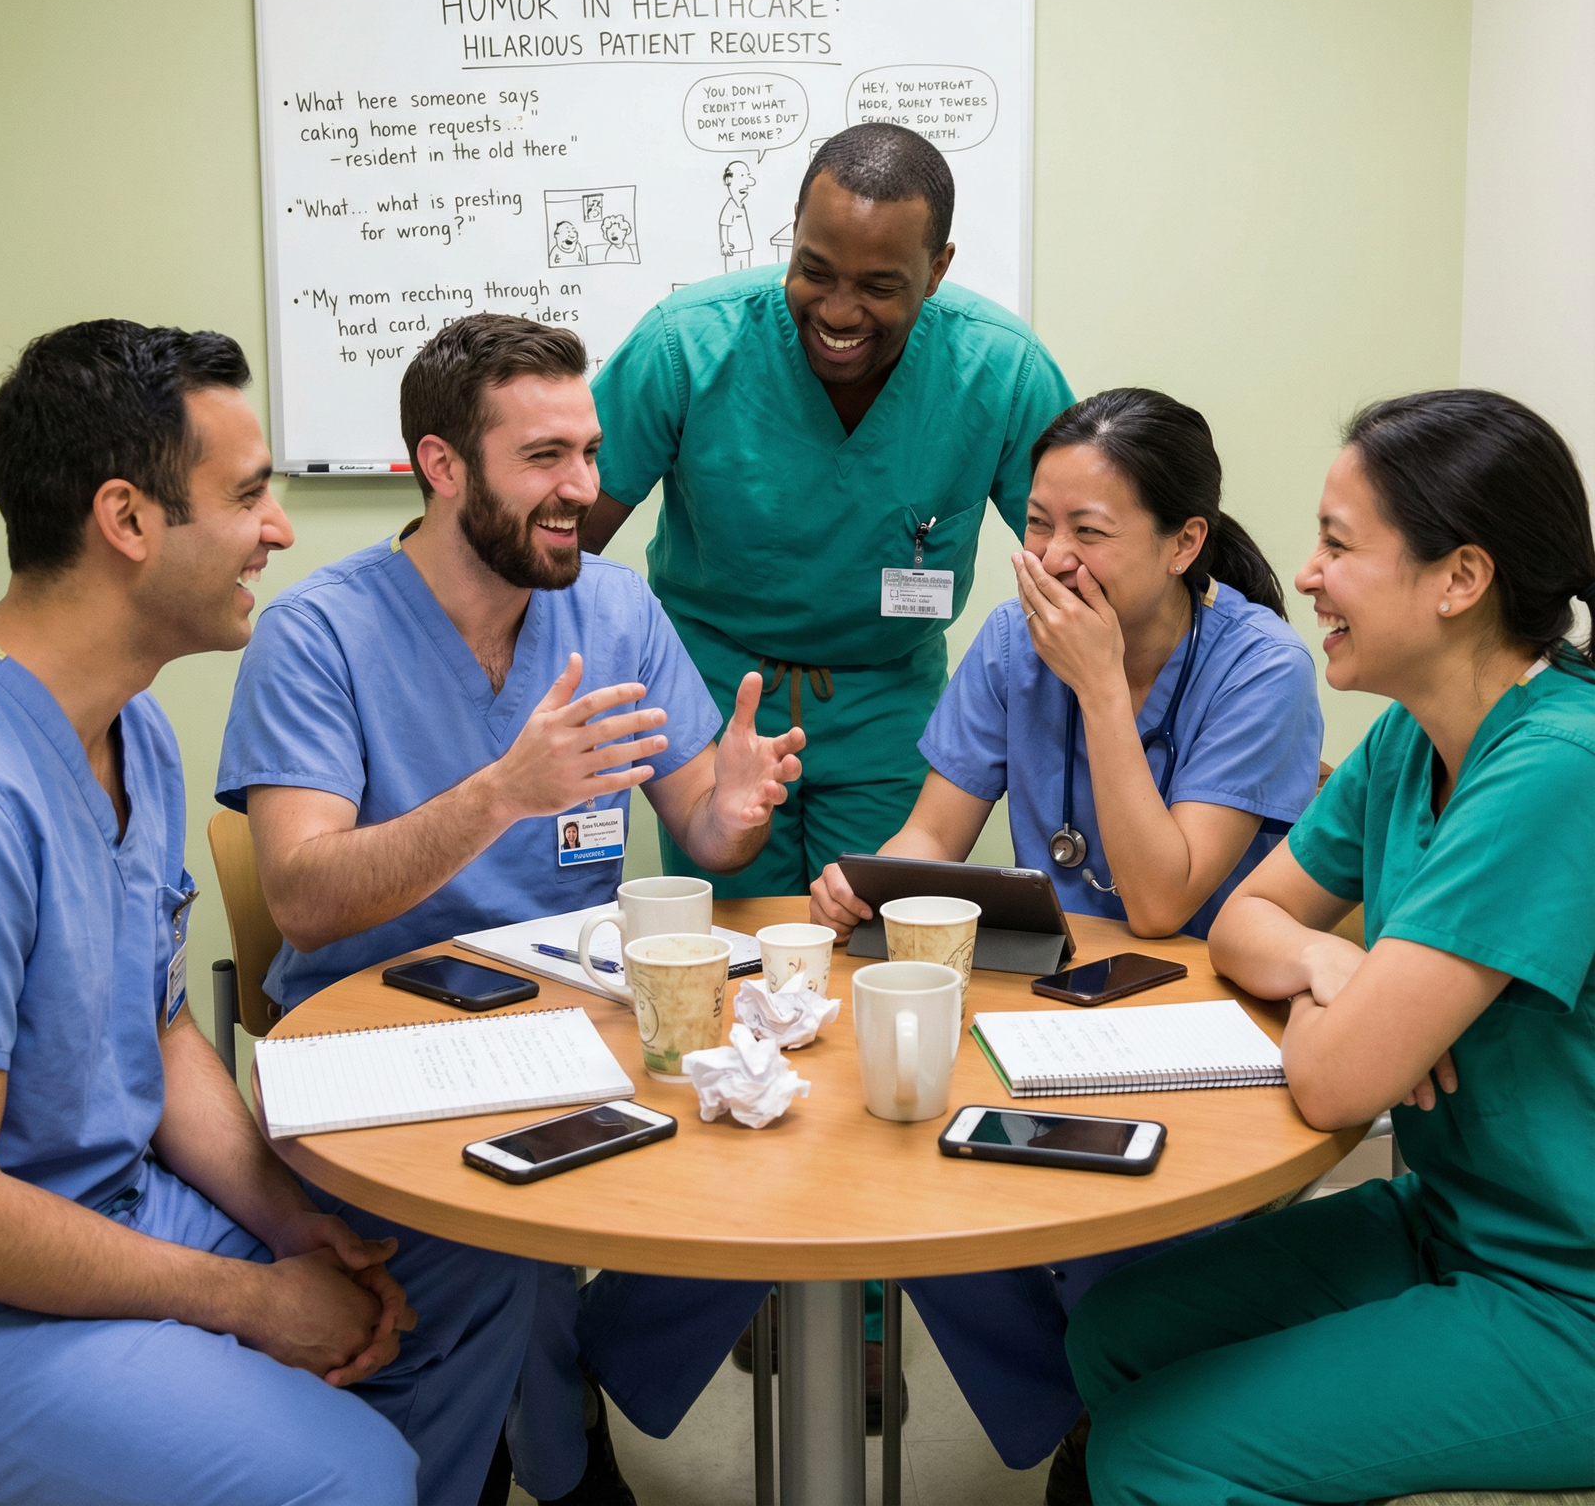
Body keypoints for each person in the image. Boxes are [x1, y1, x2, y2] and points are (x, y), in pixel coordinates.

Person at [218, 313, 804, 1502]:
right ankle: (514, 1447)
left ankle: (559, 1399)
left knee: (789, 1182)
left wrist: (736, 807)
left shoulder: (615, 611)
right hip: (376, 1054)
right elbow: (304, 897)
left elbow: (699, 820)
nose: (582, 492)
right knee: (491, 1246)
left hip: (573, 1044)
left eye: (587, 455)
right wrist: (500, 793)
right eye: (545, 458)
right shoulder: (317, 634)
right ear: (442, 466)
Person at [0, 320, 545, 1506]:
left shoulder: (131, 725)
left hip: (129, 1207)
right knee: (345, 1475)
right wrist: (244, 1298)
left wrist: (291, 1224)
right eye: (249, 497)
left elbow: (157, 1026)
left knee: (465, 1265)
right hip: (16, 1288)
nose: (281, 530)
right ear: (128, 520)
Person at [1064, 389, 1595, 1506]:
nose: (1302, 574)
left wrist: (1346, 1022)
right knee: (1114, 1329)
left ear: (1460, 579)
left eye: (1337, 546)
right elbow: (1249, 921)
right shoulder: (1414, 735)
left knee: (1153, 1453)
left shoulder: (1556, 768)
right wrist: (1331, 965)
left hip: (1567, 1295)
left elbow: (1333, 1081)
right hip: (1450, 1219)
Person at [810, 387, 1325, 1476]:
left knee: (1113, 1248)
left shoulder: (1260, 665)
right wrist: (868, 888)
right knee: (909, 1192)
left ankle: (1111, 1423)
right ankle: (1087, 1415)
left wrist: (1096, 686)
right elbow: (934, 828)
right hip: (1048, 1006)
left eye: (1088, 532)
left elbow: (1159, 901)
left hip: (1204, 1021)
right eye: (1037, 524)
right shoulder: (1008, 639)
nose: (1050, 556)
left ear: (1185, 542)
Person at [583, 122, 1076, 905]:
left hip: (887, 702)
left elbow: (1081, 559)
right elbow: (564, 543)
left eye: (880, 286)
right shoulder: (687, 346)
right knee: (729, 946)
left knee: (874, 937)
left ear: (938, 268)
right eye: (814, 270)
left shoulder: (1001, 372)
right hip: (713, 693)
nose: (839, 311)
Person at [718, 158, 756, 268]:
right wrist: (725, 244)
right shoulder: (730, 207)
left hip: (745, 247)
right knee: (733, 275)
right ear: (729, 181)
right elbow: (724, 225)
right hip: (733, 250)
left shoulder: (741, 205)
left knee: (745, 273)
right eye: (742, 176)